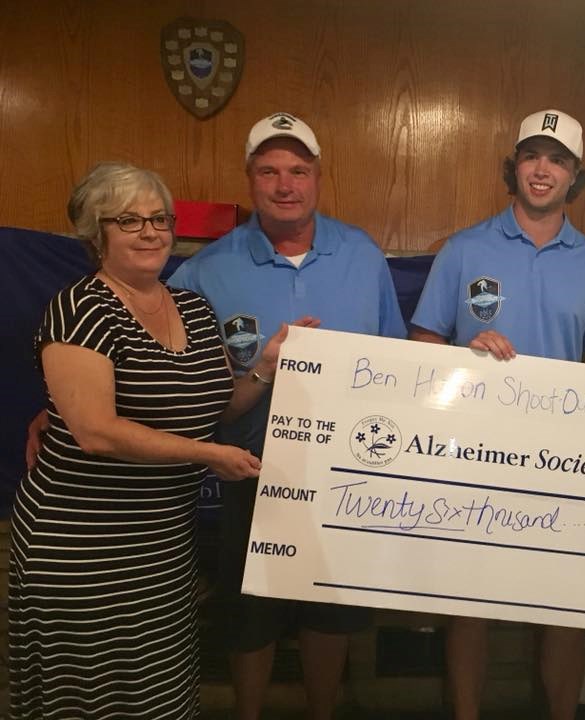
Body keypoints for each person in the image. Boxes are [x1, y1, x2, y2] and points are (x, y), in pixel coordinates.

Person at [9, 162, 294, 718]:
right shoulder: (80, 308)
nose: (150, 231)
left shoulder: (190, 305)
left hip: (162, 545)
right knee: (89, 698)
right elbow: (95, 432)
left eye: (159, 218)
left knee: (157, 695)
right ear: (97, 233)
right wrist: (209, 456)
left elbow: (215, 406)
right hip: (81, 545)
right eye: (128, 220)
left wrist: (264, 367)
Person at [166, 112, 407, 720]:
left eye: (298, 170)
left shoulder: (361, 255)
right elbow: (183, 390)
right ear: (249, 179)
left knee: (330, 610)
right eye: (269, 170)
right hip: (252, 470)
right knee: (251, 613)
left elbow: (398, 364)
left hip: (345, 472)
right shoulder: (203, 272)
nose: (285, 184)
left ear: (318, 177)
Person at [409, 108, 585, 720]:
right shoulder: (464, 249)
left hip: (563, 459)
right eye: (532, 155)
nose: (542, 169)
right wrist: (465, 351)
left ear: (574, 177)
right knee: (470, 601)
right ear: (515, 167)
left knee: (564, 605)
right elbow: (422, 345)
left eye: (557, 159)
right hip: (473, 450)